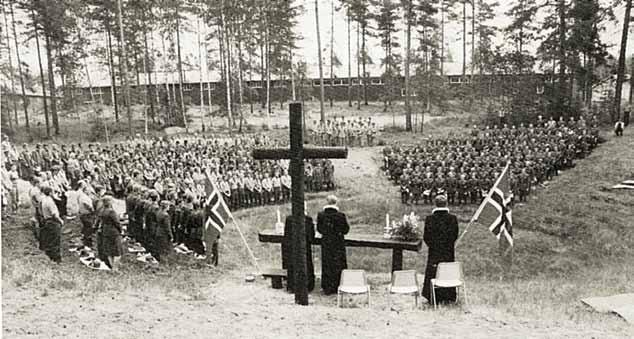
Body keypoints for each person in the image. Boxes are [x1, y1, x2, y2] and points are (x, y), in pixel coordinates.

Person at [422, 194, 459, 304]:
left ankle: (432, 296)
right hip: (448, 251)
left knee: (433, 271)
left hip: (434, 251)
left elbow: (426, 237)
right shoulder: (453, 218)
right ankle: (448, 296)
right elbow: (454, 235)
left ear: (435, 204)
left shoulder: (430, 219)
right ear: (446, 204)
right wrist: (448, 245)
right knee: (447, 271)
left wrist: (433, 246)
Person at [317, 195, 350, 295]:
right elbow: (346, 230)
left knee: (327, 263)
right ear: (336, 203)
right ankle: (339, 285)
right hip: (338, 243)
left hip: (326, 242)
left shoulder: (321, 215)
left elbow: (319, 229)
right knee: (338, 263)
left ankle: (327, 286)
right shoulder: (341, 215)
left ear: (327, 202)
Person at [282, 204, 316, 293]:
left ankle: (292, 285)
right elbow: (311, 235)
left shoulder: (289, 219)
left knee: (293, 264)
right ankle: (308, 285)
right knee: (307, 263)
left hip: (292, 246)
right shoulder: (308, 219)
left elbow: (287, 234)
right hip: (305, 245)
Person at [39, 185, 64, 263]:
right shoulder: (50, 202)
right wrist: (60, 220)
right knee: (56, 240)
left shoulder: (43, 200)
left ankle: (49, 256)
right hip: (53, 222)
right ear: (50, 193)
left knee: (50, 239)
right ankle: (56, 258)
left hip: (47, 221)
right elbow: (54, 214)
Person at [99, 196, 123, 271]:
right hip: (114, 232)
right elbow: (117, 222)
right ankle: (115, 268)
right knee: (117, 251)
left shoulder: (102, 211)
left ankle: (112, 265)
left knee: (109, 250)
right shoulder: (112, 212)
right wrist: (120, 230)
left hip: (106, 231)